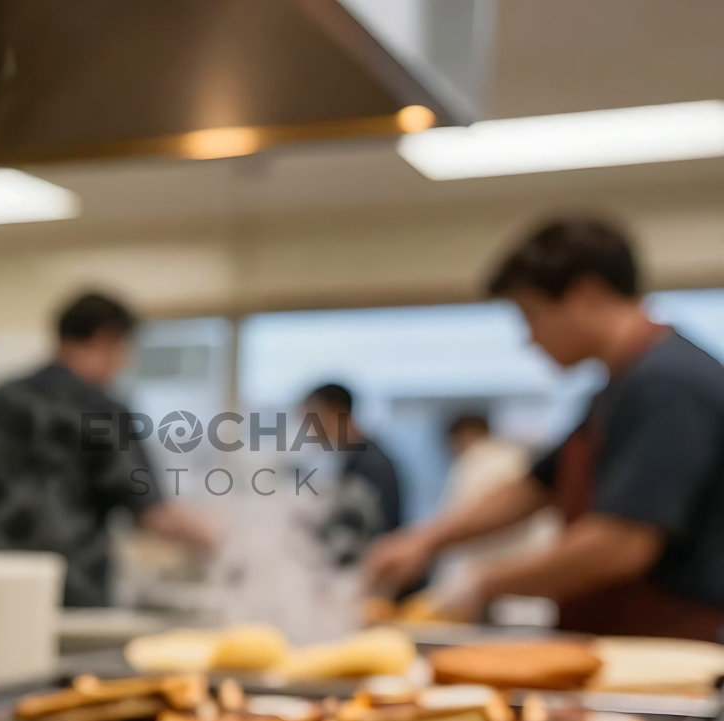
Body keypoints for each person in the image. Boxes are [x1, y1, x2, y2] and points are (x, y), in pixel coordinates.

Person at [365, 217, 724, 637]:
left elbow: (621, 544)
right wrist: (425, 540)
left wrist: (482, 584)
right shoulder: (617, 388)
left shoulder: (666, 385)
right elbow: (536, 487)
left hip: (670, 644)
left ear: (585, 295)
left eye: (530, 314)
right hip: (618, 635)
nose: (529, 339)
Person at [0, 291, 212, 609]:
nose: (123, 362)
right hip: (73, 600)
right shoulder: (102, 411)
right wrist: (215, 538)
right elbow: (153, 515)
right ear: (105, 338)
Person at [424, 412, 556, 594]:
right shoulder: (519, 457)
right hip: (531, 583)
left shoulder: (473, 463)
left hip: (486, 586)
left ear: (455, 440)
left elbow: (456, 525)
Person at [296, 383, 404, 568]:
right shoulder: (350, 458)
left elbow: (376, 534)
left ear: (334, 412)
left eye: (310, 419)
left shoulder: (372, 464)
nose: (308, 430)